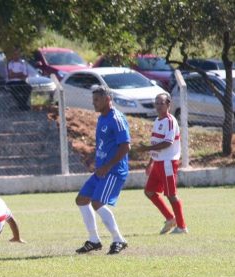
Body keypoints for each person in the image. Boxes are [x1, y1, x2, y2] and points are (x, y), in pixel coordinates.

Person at [75, 85, 130, 255]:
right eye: (93, 100)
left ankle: (118, 239)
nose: (94, 104)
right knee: (82, 199)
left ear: (107, 99)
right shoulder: (102, 118)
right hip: (101, 170)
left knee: (97, 202)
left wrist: (108, 165)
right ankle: (94, 240)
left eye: (97, 100)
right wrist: (94, 159)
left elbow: (126, 146)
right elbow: (103, 144)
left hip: (113, 171)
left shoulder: (117, 118)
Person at [139, 93, 188, 234]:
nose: (159, 106)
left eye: (162, 103)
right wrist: (150, 163)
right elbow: (155, 142)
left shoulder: (170, 121)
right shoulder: (157, 120)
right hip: (158, 163)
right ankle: (170, 218)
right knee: (149, 191)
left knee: (171, 194)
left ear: (168, 105)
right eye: (157, 103)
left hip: (167, 162)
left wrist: (146, 149)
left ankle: (182, 226)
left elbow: (167, 142)